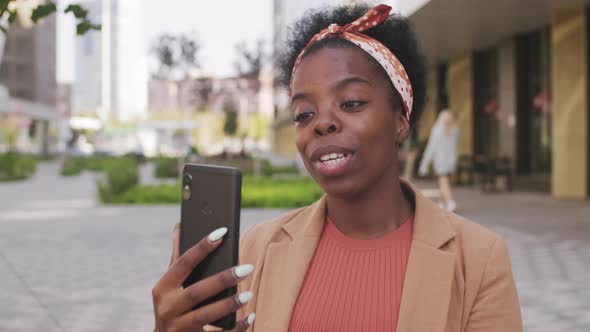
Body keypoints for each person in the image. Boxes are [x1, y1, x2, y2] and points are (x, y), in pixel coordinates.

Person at [152, 4, 522, 332]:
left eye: (352, 102)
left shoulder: (479, 259)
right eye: (304, 114)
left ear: (400, 120)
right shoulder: (257, 248)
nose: (321, 123)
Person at [418, 109, 459, 212]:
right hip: (451, 161)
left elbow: (431, 147)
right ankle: (442, 203)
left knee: (443, 182)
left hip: (441, 161)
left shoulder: (437, 129)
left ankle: (450, 202)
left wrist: (424, 163)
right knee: (445, 181)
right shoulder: (454, 129)